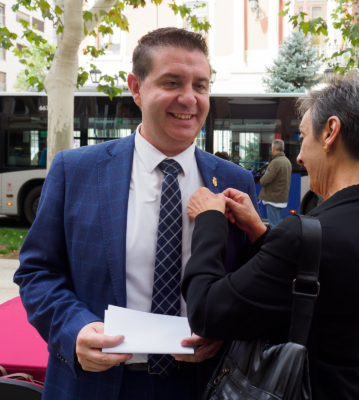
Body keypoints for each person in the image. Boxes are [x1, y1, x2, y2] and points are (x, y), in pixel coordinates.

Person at [14, 28, 258, 400]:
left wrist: (225, 329)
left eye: (201, 85)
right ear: (136, 87)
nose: (189, 98)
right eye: (172, 82)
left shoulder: (234, 182)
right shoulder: (74, 170)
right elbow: (37, 272)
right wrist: (74, 329)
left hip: (202, 384)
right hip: (94, 384)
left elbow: (252, 286)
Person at [181, 75, 359, 399]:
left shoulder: (305, 235)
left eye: (303, 137)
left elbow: (206, 312)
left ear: (330, 132)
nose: (299, 156)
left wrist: (209, 219)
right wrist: (259, 232)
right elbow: (318, 283)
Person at [258, 139, 292, 228]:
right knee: (277, 222)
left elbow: (266, 179)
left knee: (274, 225)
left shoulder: (276, 162)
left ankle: (277, 241)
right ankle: (280, 240)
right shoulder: (287, 161)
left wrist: (260, 179)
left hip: (273, 198)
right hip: (281, 197)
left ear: (273, 149)